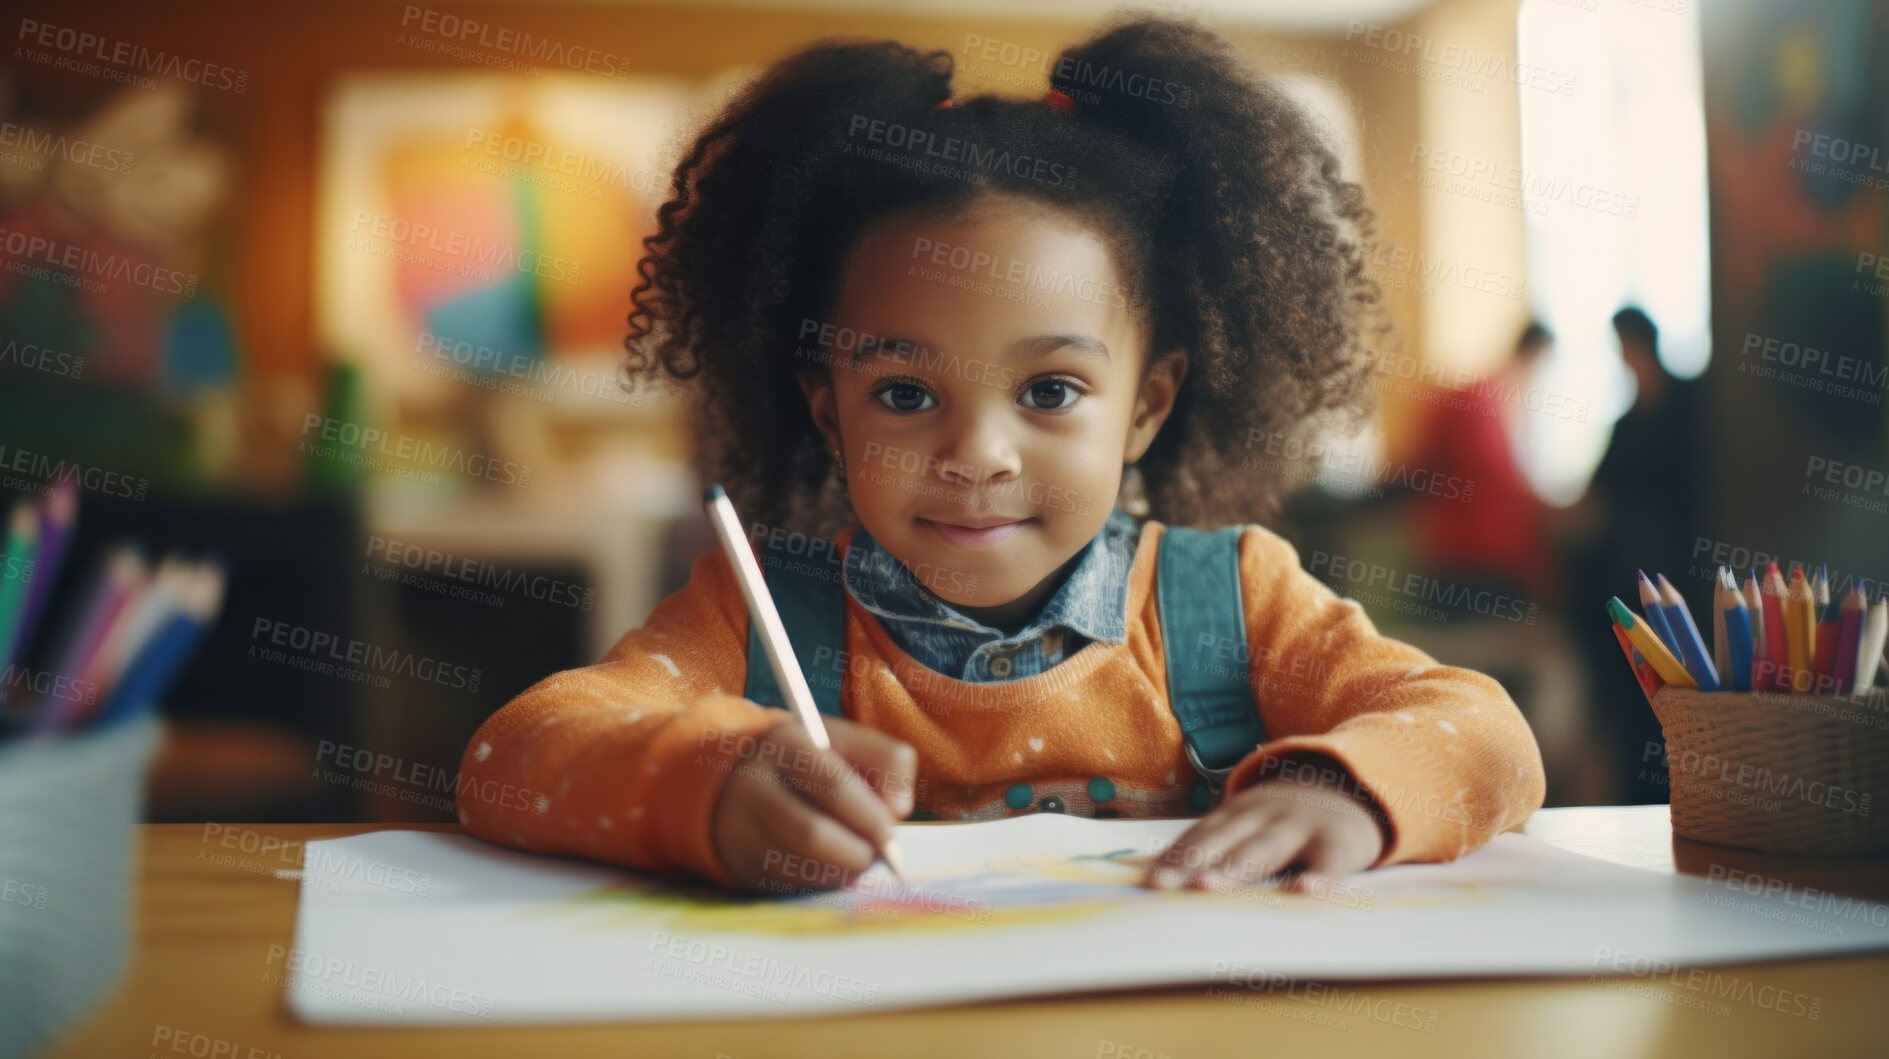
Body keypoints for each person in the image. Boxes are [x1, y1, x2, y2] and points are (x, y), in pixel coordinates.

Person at [455, 17, 1547, 895]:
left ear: (1145, 406)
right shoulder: (754, 618)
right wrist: (706, 782)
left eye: (1050, 391)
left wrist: (1341, 789)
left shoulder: (1233, 604)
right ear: (827, 411)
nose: (975, 454)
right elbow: (513, 757)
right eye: (902, 393)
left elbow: (1485, 738)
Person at [1566, 306, 1705, 803]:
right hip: (1624, 583)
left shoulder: (1694, 407)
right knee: (1630, 709)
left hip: (1681, 586)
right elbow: (1596, 496)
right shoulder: (1628, 422)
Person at [1402, 320, 1559, 607]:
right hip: (1475, 558)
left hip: (1465, 553)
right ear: (1538, 355)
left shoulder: (1492, 398)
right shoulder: (1485, 401)